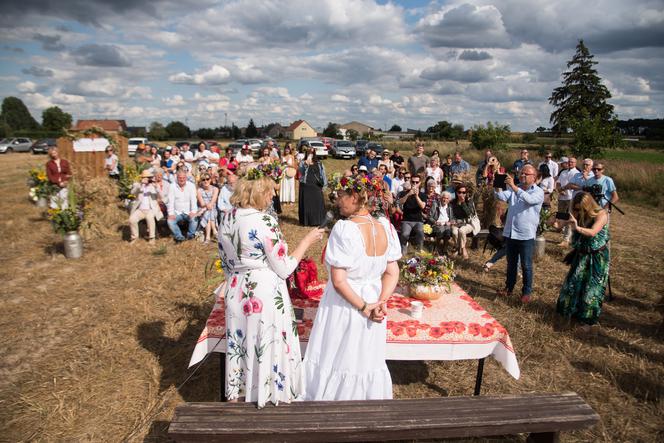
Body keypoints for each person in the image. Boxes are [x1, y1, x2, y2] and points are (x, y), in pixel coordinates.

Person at [218, 175, 324, 407]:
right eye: (270, 191)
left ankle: (239, 395)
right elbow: (284, 267)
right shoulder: (264, 221)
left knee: (240, 342)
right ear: (258, 192)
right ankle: (269, 395)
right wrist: (306, 241)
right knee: (267, 341)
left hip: (236, 289)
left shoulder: (226, 218)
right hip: (263, 291)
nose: (274, 195)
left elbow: (225, 261)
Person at [303, 176, 401, 400]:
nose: (337, 201)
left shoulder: (344, 228)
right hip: (373, 298)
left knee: (338, 355)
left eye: (341, 196)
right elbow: (392, 271)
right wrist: (381, 301)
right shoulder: (385, 226)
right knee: (364, 356)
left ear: (355, 197)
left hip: (347, 303)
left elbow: (338, 281)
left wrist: (366, 307)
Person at [554, 192, 610, 331]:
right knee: (573, 284)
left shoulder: (601, 214)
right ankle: (571, 312)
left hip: (596, 257)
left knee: (591, 289)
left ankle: (587, 322)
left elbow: (592, 232)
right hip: (582, 254)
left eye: (581, 209)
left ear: (588, 206)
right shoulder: (576, 214)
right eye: (576, 209)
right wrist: (556, 224)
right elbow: (559, 226)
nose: (578, 212)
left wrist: (576, 227)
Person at [494, 165, 544, 303]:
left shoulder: (538, 192)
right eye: (521, 173)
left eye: (526, 174)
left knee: (526, 265)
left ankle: (526, 292)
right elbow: (499, 196)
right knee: (511, 263)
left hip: (526, 235)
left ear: (534, 177)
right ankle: (508, 288)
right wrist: (497, 183)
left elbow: (529, 200)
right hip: (511, 233)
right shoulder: (514, 189)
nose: (522, 176)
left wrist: (514, 187)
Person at [128, 170, 163, 244]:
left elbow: (161, 195)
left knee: (150, 218)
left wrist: (156, 186)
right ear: (142, 178)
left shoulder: (154, 186)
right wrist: (140, 184)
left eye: (148, 177)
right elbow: (132, 193)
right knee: (132, 219)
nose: (147, 179)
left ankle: (152, 238)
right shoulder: (138, 185)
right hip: (140, 209)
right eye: (145, 177)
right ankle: (134, 237)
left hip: (151, 209)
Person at [166, 170, 199, 242]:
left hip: (188, 211)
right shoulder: (172, 186)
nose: (182, 179)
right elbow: (170, 201)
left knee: (194, 219)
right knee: (170, 221)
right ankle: (179, 237)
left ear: (186, 178)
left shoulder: (191, 186)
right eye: (180, 178)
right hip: (177, 212)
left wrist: (193, 211)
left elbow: (193, 200)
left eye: (183, 177)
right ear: (177, 178)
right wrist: (171, 214)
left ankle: (190, 235)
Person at [298, 148, 327, 226]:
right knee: (307, 204)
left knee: (317, 203)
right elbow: (301, 172)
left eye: (312, 152)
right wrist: (306, 163)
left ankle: (318, 221)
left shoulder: (319, 163)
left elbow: (323, 174)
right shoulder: (302, 163)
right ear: (306, 153)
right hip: (306, 186)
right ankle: (307, 221)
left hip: (316, 186)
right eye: (308, 152)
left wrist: (324, 185)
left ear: (314, 153)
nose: (310, 153)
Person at [397, 174, 426, 253]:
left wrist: (416, 196)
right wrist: (408, 194)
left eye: (417, 182)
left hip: (418, 220)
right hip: (406, 220)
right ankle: (403, 250)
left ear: (420, 183)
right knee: (404, 234)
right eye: (413, 182)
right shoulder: (404, 193)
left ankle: (419, 249)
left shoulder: (422, 195)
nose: (415, 184)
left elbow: (422, 206)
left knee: (420, 232)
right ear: (410, 182)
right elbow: (400, 202)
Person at [450, 185, 478, 259]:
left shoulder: (469, 201)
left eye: (464, 192)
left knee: (461, 230)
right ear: (456, 193)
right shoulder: (453, 202)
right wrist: (452, 221)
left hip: (468, 223)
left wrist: (463, 203)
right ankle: (457, 247)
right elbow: (451, 214)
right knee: (454, 232)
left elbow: (469, 214)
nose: (462, 194)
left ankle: (463, 248)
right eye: (460, 192)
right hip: (456, 223)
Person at [556, 157, 577, 247]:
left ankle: (566, 239)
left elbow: (575, 185)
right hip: (562, 197)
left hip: (571, 198)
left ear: (575, 163)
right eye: (569, 162)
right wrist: (560, 190)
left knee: (569, 218)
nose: (570, 163)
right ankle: (565, 235)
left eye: (572, 162)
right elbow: (558, 183)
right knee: (561, 217)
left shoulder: (576, 173)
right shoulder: (563, 172)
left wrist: (565, 188)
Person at [197, 173, 219, 244]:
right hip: (203, 208)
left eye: (207, 179)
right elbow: (202, 203)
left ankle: (208, 238)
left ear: (210, 180)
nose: (206, 181)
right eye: (203, 179)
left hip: (212, 208)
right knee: (207, 211)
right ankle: (215, 231)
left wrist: (209, 206)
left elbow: (213, 200)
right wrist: (207, 205)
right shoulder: (199, 190)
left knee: (208, 211)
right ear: (201, 181)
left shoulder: (215, 189)